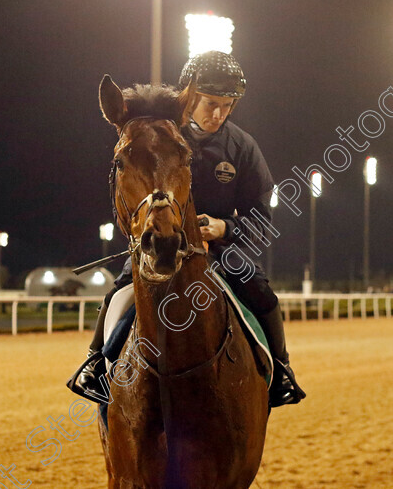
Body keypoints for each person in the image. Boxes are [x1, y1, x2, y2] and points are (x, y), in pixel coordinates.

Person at [67, 51, 305, 408]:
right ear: (190, 98)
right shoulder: (161, 136)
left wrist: (224, 227)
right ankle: (95, 362)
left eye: (228, 105)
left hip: (224, 251)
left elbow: (262, 218)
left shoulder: (242, 146)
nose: (219, 114)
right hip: (161, 245)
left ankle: (282, 372)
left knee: (263, 295)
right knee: (120, 291)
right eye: (211, 103)